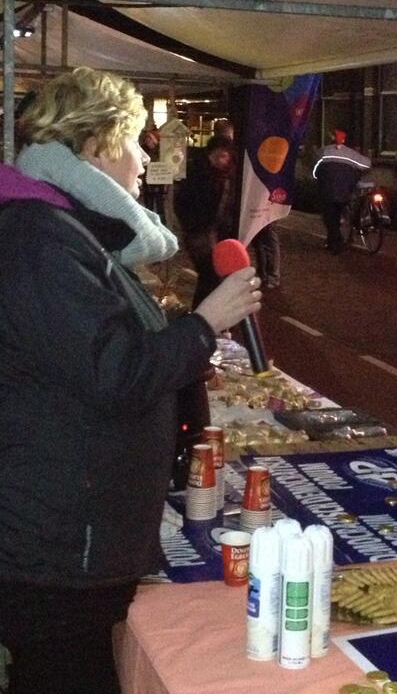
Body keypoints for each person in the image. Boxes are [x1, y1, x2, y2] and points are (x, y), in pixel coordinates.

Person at [0, 67, 262, 694]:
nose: (146, 158)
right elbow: (113, 374)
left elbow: (83, 350)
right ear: (93, 144)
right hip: (59, 541)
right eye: (134, 140)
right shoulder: (42, 238)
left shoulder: (59, 228)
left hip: (69, 524)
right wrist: (204, 324)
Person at [174, 135, 237, 308]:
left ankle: (207, 315)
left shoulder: (231, 177)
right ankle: (202, 316)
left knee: (216, 277)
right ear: (209, 154)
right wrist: (193, 225)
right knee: (210, 275)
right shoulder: (197, 173)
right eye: (217, 155)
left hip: (222, 234)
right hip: (200, 234)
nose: (221, 160)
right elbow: (181, 203)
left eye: (225, 156)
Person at [312, 129, 372, 253]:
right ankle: (336, 239)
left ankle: (335, 243)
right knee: (340, 209)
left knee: (330, 216)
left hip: (327, 189)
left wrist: (318, 178)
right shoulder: (351, 153)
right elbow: (366, 165)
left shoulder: (323, 151)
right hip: (346, 189)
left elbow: (315, 170)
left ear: (331, 139)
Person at [139, 126, 168, 223]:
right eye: (146, 139)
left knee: (160, 207)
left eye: (149, 139)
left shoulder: (161, 151)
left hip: (159, 184)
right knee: (149, 207)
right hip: (148, 183)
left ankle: (163, 225)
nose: (147, 141)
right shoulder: (143, 150)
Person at [251, 222, 281, 289]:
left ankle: (272, 278)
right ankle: (263, 276)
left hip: (266, 215)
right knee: (259, 243)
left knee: (268, 237)